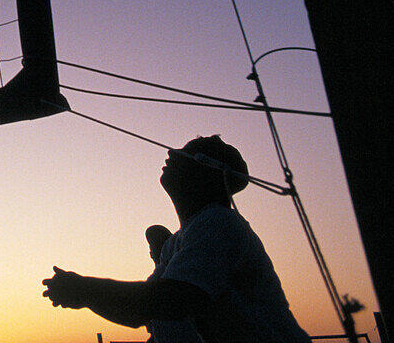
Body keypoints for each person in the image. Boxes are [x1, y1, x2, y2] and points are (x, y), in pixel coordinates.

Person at [42, 135, 311, 343]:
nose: (172, 152)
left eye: (188, 151)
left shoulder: (220, 223)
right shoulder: (181, 240)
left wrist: (84, 290)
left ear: (207, 170)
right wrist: (83, 296)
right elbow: (145, 314)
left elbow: (169, 302)